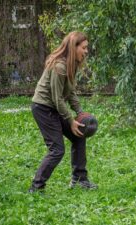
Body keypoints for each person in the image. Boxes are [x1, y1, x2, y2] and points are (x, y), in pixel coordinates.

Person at [29, 31, 97, 193]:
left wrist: (80, 113)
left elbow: (70, 92)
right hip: (44, 108)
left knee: (79, 136)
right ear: (74, 47)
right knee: (57, 150)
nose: (86, 51)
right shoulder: (59, 66)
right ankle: (36, 187)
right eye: (84, 47)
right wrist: (70, 120)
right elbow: (57, 98)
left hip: (54, 107)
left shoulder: (70, 64)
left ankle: (80, 180)